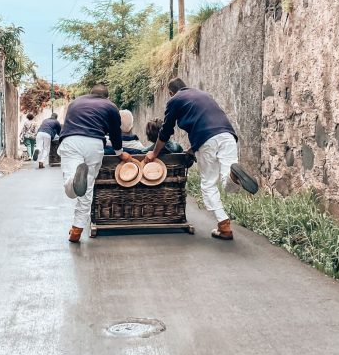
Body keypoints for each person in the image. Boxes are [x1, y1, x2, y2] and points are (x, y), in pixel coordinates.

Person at [146, 78, 258, 240]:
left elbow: (166, 131)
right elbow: (208, 122)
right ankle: (233, 175)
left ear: (170, 93)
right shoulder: (203, 94)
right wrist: (193, 149)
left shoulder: (174, 100)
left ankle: (224, 227)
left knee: (208, 184)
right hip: (227, 135)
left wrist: (154, 153)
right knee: (228, 183)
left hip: (206, 140)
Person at [57, 84, 131, 243]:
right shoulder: (110, 106)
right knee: (88, 186)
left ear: (90, 93)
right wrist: (120, 153)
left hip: (70, 140)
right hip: (94, 142)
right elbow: (115, 133)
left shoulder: (75, 103)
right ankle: (76, 230)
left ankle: (73, 183)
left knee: (70, 183)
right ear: (107, 96)